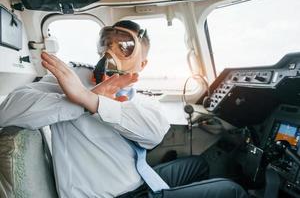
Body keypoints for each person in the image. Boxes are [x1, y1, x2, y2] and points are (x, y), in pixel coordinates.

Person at [0, 20, 248, 198]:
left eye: (124, 46)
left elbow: (154, 135)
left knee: (198, 165)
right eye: (107, 42)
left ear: (142, 62)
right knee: (232, 190)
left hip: (140, 179)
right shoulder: (72, 79)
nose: (110, 50)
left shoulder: (134, 94)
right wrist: (77, 100)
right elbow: (7, 112)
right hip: (118, 194)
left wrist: (91, 101)